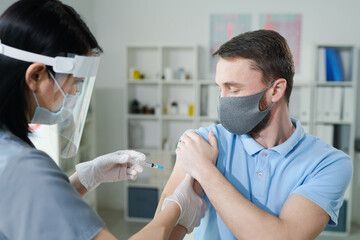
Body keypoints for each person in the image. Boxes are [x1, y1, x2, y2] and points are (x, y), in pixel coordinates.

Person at [0, 1, 207, 239]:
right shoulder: (22, 166)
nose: (75, 92)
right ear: (36, 75)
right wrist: (175, 212)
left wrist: (88, 177)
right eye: (75, 81)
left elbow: (39, 206)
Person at [157, 29, 353, 239]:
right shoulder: (203, 142)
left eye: (233, 89)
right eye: (219, 89)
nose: (223, 101)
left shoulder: (328, 163)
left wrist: (205, 171)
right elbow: (163, 231)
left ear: (276, 90)